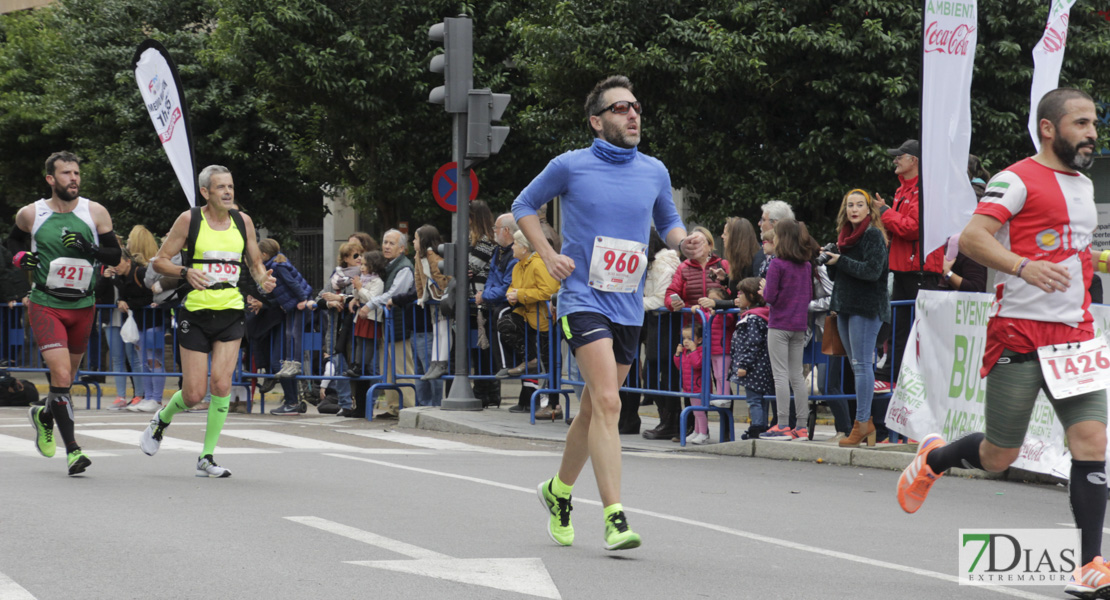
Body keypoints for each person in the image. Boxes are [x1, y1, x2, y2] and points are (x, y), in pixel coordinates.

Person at [896, 88, 1110, 597]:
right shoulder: (1014, 178)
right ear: (1048, 128)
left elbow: (1074, 250)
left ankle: (1091, 564)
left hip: (1075, 337)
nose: (1092, 134)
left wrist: (1101, 262)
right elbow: (971, 238)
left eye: (1095, 124)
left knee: (1093, 442)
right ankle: (933, 460)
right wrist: (1021, 266)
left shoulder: (1082, 186)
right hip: (1018, 332)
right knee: (998, 456)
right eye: (1081, 123)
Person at [514, 74, 688, 551]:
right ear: (597, 121)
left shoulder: (654, 170)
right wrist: (548, 254)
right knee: (610, 402)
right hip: (582, 299)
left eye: (635, 106)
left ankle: (558, 491)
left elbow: (668, 221)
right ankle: (614, 516)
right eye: (619, 108)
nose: (632, 114)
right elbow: (524, 204)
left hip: (628, 303)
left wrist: (684, 241)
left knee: (594, 408)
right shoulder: (570, 165)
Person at [140, 164, 275, 477]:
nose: (228, 192)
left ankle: (207, 456)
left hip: (230, 309)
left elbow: (255, 263)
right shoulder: (190, 220)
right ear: (205, 192)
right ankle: (161, 419)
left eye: (230, 186)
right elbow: (159, 262)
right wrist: (186, 271)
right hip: (197, 312)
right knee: (193, 394)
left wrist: (262, 281)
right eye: (221, 188)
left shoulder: (243, 221)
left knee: (222, 383)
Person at [15, 151, 122, 475]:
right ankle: (73, 451)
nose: (73, 178)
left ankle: (43, 416)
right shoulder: (31, 214)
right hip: (46, 304)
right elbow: (12, 246)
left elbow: (115, 255)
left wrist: (89, 249)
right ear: (51, 179)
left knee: (66, 382)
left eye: (76, 173)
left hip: (82, 306)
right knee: (61, 377)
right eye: (66, 174)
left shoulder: (95, 212)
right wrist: (22, 258)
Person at [821, 189, 889, 447]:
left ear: (869, 210)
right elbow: (841, 276)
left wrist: (841, 261)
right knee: (856, 366)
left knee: (861, 366)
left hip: (866, 307)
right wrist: (832, 261)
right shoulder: (845, 237)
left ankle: (862, 423)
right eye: (850, 205)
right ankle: (864, 424)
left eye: (860, 205)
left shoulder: (872, 234)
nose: (854, 209)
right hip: (845, 307)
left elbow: (872, 272)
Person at [874, 139, 944, 390]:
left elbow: (913, 228)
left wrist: (884, 212)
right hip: (905, 268)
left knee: (918, 331)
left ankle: (916, 382)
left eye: (899, 156)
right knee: (900, 328)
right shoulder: (903, 190)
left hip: (921, 270)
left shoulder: (925, 190)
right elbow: (900, 227)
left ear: (913, 160)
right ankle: (893, 378)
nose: (895, 160)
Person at [761, 218, 814, 440]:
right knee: (797, 376)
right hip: (799, 325)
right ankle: (801, 426)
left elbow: (770, 297)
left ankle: (782, 424)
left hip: (779, 324)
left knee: (780, 375)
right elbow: (809, 295)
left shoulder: (777, 264)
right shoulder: (806, 264)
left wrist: (764, 289)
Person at [494, 232, 559, 405]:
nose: (512, 247)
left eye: (515, 243)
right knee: (505, 324)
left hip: (545, 320)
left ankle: (553, 404)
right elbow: (511, 288)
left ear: (524, 247)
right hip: (526, 316)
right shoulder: (518, 266)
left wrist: (520, 295)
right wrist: (511, 296)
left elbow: (548, 291)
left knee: (550, 363)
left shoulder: (538, 264)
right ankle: (530, 359)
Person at [260, 238, 317, 415]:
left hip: (296, 307)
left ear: (263, 254)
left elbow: (293, 284)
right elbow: (280, 292)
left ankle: (292, 397)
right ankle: (292, 401)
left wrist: (303, 301)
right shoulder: (274, 265)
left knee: (292, 340)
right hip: (290, 307)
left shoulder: (277, 266)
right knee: (287, 342)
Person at [365, 229, 416, 419]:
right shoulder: (389, 266)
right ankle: (395, 407)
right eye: (385, 242)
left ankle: (408, 408)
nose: (386, 246)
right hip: (388, 323)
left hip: (399, 323)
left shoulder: (403, 267)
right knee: (388, 368)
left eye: (391, 243)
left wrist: (369, 303)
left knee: (402, 367)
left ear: (402, 248)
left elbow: (393, 294)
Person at [110, 249, 167, 413]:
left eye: (118, 262)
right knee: (143, 362)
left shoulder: (140, 272)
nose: (115, 266)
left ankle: (156, 398)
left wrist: (128, 303)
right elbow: (122, 296)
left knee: (153, 360)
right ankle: (148, 397)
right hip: (138, 322)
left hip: (152, 321)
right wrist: (120, 300)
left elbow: (151, 296)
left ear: (128, 261)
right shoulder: (119, 278)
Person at [640, 230, 682, 439]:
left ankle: (670, 422)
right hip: (658, 322)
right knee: (654, 375)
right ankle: (666, 421)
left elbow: (660, 298)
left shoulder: (662, 264)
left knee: (663, 376)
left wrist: (634, 304)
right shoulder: (656, 263)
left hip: (665, 323)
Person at [476, 213, 519, 409]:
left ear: (507, 231)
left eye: (496, 228)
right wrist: (487, 293)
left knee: (499, 315)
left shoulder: (515, 253)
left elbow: (508, 285)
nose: (493, 231)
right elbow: (493, 275)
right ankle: (502, 365)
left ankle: (506, 364)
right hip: (498, 298)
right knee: (495, 316)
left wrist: (486, 296)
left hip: (514, 302)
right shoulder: (498, 251)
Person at [728, 277, 773, 440]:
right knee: (760, 399)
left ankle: (757, 428)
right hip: (760, 366)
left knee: (754, 399)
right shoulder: (756, 316)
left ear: (752, 297)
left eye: (741, 294)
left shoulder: (753, 319)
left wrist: (744, 365)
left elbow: (752, 344)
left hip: (754, 368)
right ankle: (760, 425)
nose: (737, 298)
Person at [412, 225, 451, 381]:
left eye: (415, 238)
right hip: (433, 299)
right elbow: (418, 278)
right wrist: (421, 296)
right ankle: (435, 363)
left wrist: (445, 295)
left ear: (423, 240)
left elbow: (442, 277)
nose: (413, 241)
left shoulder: (432, 256)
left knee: (443, 330)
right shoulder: (419, 256)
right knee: (436, 331)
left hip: (441, 298)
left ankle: (442, 362)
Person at [673, 323, 708, 444]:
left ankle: (703, 433)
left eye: (690, 338)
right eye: (684, 338)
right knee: (695, 411)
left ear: (699, 340)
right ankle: (696, 431)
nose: (686, 341)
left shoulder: (700, 351)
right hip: (689, 386)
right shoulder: (684, 352)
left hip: (699, 386)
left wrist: (693, 350)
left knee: (699, 411)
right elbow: (680, 366)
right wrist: (677, 355)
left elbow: (697, 364)